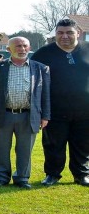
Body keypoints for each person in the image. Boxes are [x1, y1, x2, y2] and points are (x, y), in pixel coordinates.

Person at [0, 37, 50, 189]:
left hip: (28, 115)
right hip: (2, 114)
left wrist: (45, 116)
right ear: (9, 49)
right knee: (0, 149)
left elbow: (45, 94)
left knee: (25, 150)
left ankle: (22, 178)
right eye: (18, 46)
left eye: (25, 46)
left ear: (29, 47)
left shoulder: (40, 68)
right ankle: (1, 177)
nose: (22, 49)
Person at [31, 18, 89, 187]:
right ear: (55, 34)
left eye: (69, 32)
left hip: (85, 110)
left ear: (78, 33)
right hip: (54, 110)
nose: (65, 36)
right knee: (53, 145)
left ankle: (82, 174)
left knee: (83, 144)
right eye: (60, 33)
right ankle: (52, 174)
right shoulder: (43, 54)